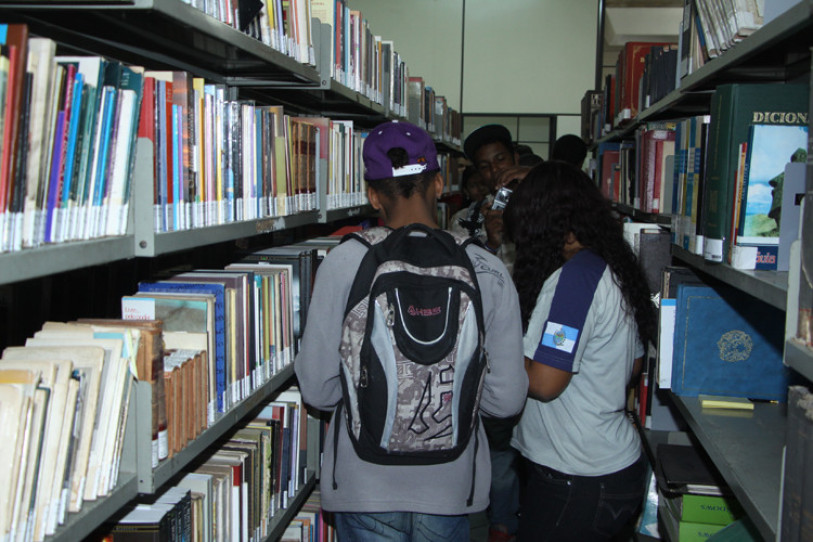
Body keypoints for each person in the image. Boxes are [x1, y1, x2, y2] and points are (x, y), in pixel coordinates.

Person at [294, 120, 528, 542]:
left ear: (371, 194)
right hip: (451, 484)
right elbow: (507, 400)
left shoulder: (342, 264)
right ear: (438, 184)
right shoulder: (487, 268)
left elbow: (318, 390)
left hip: (365, 484)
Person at [503, 161, 657, 542]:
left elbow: (544, 382)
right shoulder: (609, 266)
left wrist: (493, 349)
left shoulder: (575, 280)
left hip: (578, 477)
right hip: (605, 468)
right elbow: (633, 363)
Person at [463, 124, 532, 542]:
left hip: (533, 339)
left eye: (500, 161)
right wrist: (489, 241)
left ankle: (507, 521)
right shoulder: (463, 220)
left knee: (511, 447)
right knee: (492, 440)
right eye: (484, 167)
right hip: (483, 344)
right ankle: (488, 518)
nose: (493, 173)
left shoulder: (540, 206)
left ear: (515, 159)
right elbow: (461, 278)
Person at [449, 166, 489, 242]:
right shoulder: (459, 217)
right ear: (466, 191)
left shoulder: (499, 211)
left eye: (483, 183)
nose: (480, 188)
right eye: (473, 186)